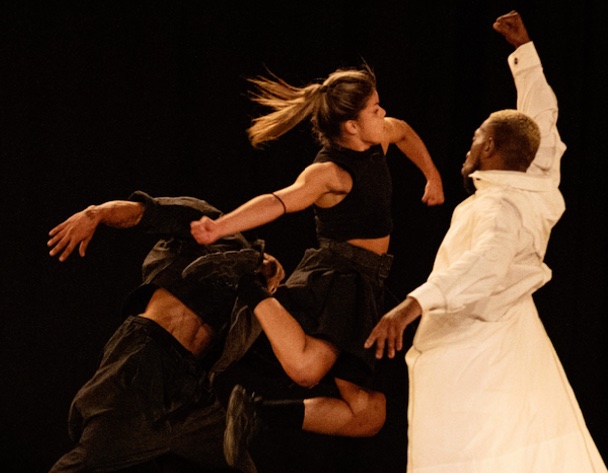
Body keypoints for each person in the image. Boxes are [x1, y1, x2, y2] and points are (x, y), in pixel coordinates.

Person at [364, 11, 608, 472]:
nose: (469, 146)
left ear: (491, 148)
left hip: (479, 349)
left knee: (475, 451)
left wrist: (411, 304)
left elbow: (484, 263)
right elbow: (541, 123)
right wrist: (525, 53)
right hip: (514, 337)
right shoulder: (534, 181)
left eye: (477, 138)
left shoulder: (500, 208)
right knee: (523, 442)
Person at [190, 61, 444, 472]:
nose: (383, 114)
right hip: (338, 278)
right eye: (374, 109)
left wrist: (431, 174)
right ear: (351, 127)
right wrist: (221, 226)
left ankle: (258, 413)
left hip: (370, 281)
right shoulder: (329, 172)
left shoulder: (378, 138)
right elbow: (278, 200)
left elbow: (405, 131)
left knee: (368, 416)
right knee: (307, 370)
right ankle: (245, 280)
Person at [46, 190, 285, 472]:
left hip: (194, 391)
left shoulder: (252, 300)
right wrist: (95, 213)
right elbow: (142, 212)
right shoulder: (211, 225)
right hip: (148, 357)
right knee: (90, 460)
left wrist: (267, 280)